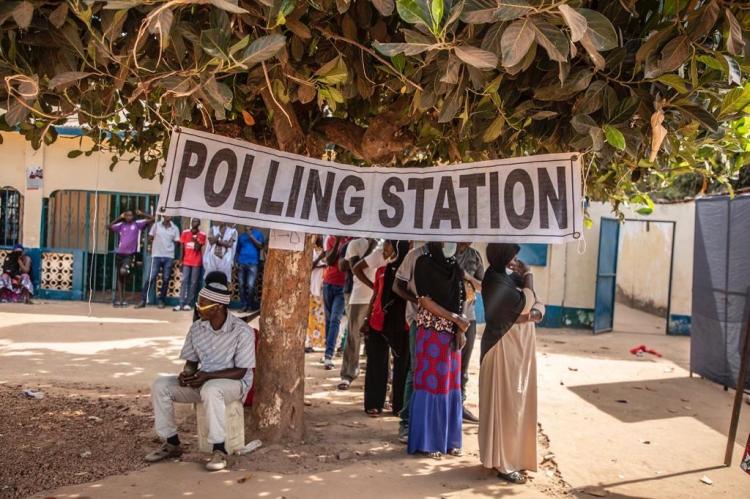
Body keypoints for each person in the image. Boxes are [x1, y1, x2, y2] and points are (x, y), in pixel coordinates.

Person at [146, 271, 256, 472]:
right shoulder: (197, 328)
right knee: (161, 385)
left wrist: (207, 377)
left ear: (218, 307)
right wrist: (187, 374)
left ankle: (219, 449)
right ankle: (172, 443)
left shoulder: (242, 331)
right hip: (204, 382)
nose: (198, 308)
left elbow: (241, 372)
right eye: (199, 302)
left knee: (212, 389)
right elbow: (191, 363)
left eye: (203, 304)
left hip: (234, 385)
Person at [479, 243, 545, 484]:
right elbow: (527, 303)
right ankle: (503, 464)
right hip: (501, 349)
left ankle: (512, 457)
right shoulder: (495, 280)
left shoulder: (500, 277)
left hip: (513, 350)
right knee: (505, 407)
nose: (515, 259)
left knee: (514, 404)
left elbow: (526, 305)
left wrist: (533, 306)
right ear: (503, 255)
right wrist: (529, 276)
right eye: (512, 255)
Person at [408, 241, 468, 459]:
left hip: (453, 334)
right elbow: (424, 300)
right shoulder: (423, 263)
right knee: (432, 385)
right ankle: (428, 441)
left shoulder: (454, 267)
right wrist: (455, 319)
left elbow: (460, 299)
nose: (449, 244)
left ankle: (449, 440)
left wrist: (460, 330)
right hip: (431, 333)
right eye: (444, 241)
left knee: (451, 385)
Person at [359, 240, 409, 415]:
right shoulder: (382, 270)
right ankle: (374, 403)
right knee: (376, 364)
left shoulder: (409, 273)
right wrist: (366, 319)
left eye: (389, 244)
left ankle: (399, 405)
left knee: (402, 365)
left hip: (403, 324)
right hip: (378, 322)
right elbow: (376, 296)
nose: (385, 248)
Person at [392, 241, 426, 443]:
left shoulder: (451, 257)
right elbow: (398, 286)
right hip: (418, 319)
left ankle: (425, 421)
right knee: (416, 371)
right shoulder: (414, 256)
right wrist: (417, 301)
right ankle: (405, 422)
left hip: (444, 323)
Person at [338, 238, 381, 390]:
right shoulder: (355, 244)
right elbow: (355, 266)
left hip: (379, 297)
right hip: (359, 296)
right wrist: (372, 246)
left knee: (378, 339)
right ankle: (348, 374)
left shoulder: (385, 242)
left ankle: (381, 378)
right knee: (353, 337)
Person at [455, 242, 485, 423]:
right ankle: (446, 404)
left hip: (469, 316)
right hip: (448, 316)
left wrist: (466, 276)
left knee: (463, 367)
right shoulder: (445, 250)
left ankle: (459, 405)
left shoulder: (475, 256)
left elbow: (482, 286)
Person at [109, 209, 154, 307]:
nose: (129, 217)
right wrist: (119, 218)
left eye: (130, 215)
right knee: (120, 277)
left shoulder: (137, 224)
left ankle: (129, 272)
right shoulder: (121, 225)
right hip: (120, 253)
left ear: (133, 216)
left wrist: (142, 213)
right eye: (127, 215)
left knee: (123, 271)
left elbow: (152, 219)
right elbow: (108, 226)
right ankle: (121, 299)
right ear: (124, 216)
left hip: (130, 254)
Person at [136, 216, 181, 309]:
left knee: (166, 279)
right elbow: (150, 238)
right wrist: (150, 247)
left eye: (170, 215)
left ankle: (161, 300)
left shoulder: (175, 228)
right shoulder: (156, 225)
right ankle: (143, 300)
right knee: (150, 278)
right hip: (156, 255)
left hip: (168, 256)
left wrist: (174, 256)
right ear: (163, 216)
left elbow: (177, 243)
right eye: (167, 214)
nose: (168, 216)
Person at [320, 236, 349, 370]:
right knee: (328, 320)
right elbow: (330, 261)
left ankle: (328, 355)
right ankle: (328, 350)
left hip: (342, 286)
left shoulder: (352, 238)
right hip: (328, 283)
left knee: (334, 320)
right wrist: (337, 242)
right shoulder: (330, 238)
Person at [174, 219, 206, 311]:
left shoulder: (202, 235)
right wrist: (180, 261)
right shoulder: (185, 232)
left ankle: (188, 303)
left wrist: (196, 240)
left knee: (193, 282)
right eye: (193, 222)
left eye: (196, 222)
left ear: (199, 224)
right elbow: (182, 247)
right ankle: (181, 303)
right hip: (186, 261)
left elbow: (197, 248)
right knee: (184, 281)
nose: (194, 223)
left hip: (196, 261)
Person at [236, 227, 265, 312]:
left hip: (253, 263)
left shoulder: (258, 234)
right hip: (241, 263)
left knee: (251, 285)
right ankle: (243, 306)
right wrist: (236, 261)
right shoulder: (241, 236)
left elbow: (260, 246)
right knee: (241, 285)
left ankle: (250, 306)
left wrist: (251, 236)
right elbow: (237, 250)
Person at [306, 236, 327, 352]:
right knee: (311, 317)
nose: (321, 237)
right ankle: (309, 344)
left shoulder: (326, 250)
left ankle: (318, 343)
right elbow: (310, 265)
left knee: (320, 317)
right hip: (313, 287)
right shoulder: (311, 250)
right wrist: (321, 258)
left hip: (322, 288)